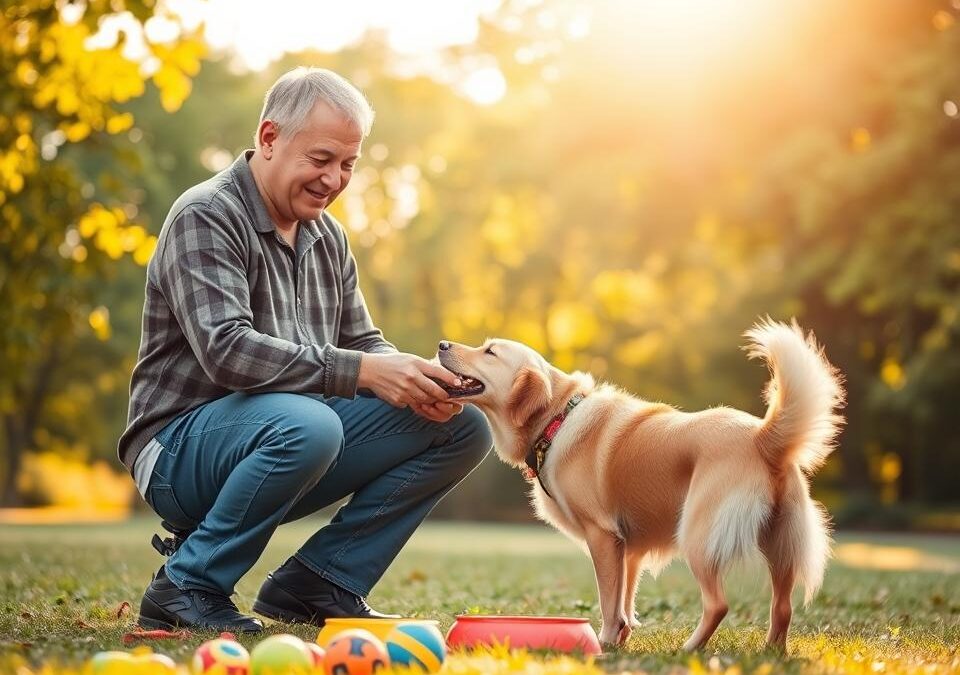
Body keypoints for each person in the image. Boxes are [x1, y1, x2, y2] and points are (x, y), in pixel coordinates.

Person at [118, 67, 493, 633]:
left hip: (290, 433)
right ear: (269, 138)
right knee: (309, 424)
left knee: (462, 429)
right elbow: (227, 351)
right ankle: (186, 586)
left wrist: (415, 381)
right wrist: (365, 370)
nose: (334, 179)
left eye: (347, 165)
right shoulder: (206, 215)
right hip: (177, 451)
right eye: (321, 159)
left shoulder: (328, 237)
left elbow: (363, 344)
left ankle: (319, 583)